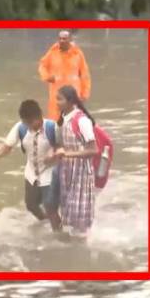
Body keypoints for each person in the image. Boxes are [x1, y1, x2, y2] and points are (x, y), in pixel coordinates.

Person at [0, 100, 63, 231]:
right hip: (31, 174)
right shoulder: (20, 128)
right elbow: (5, 149)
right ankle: (47, 223)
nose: (30, 126)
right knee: (31, 205)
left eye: (32, 122)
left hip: (50, 174)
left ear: (40, 115)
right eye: (26, 123)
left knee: (50, 206)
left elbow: (62, 147)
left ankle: (59, 235)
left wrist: (53, 153)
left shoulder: (53, 128)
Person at [55, 85, 98, 235]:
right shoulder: (63, 119)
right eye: (56, 99)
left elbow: (94, 150)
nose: (56, 102)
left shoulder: (82, 121)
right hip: (67, 171)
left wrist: (67, 154)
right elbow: (61, 144)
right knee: (68, 214)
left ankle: (83, 245)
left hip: (81, 173)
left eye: (60, 99)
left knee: (80, 218)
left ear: (71, 101)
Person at [38, 31, 92, 121]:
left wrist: (84, 94)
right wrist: (47, 77)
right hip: (56, 96)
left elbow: (85, 75)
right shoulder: (52, 53)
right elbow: (42, 66)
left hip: (73, 95)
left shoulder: (77, 54)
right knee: (55, 122)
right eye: (60, 39)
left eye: (64, 39)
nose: (62, 41)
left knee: (74, 120)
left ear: (70, 40)